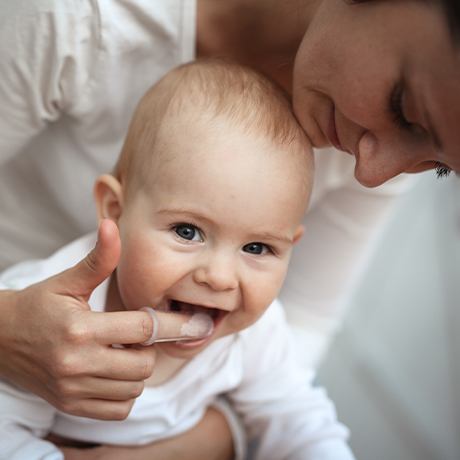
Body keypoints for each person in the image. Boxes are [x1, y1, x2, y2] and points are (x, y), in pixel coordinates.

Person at [0, 0, 459, 446]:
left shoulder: (254, 334)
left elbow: (299, 412)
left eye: (439, 165)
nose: (371, 174)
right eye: (404, 107)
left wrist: (217, 438)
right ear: (113, 211)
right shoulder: (74, 19)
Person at [0, 60, 355, 460]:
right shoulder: (47, 321)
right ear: (115, 210)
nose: (220, 278)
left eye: (257, 248)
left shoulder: (254, 333)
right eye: (188, 231)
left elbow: (297, 421)